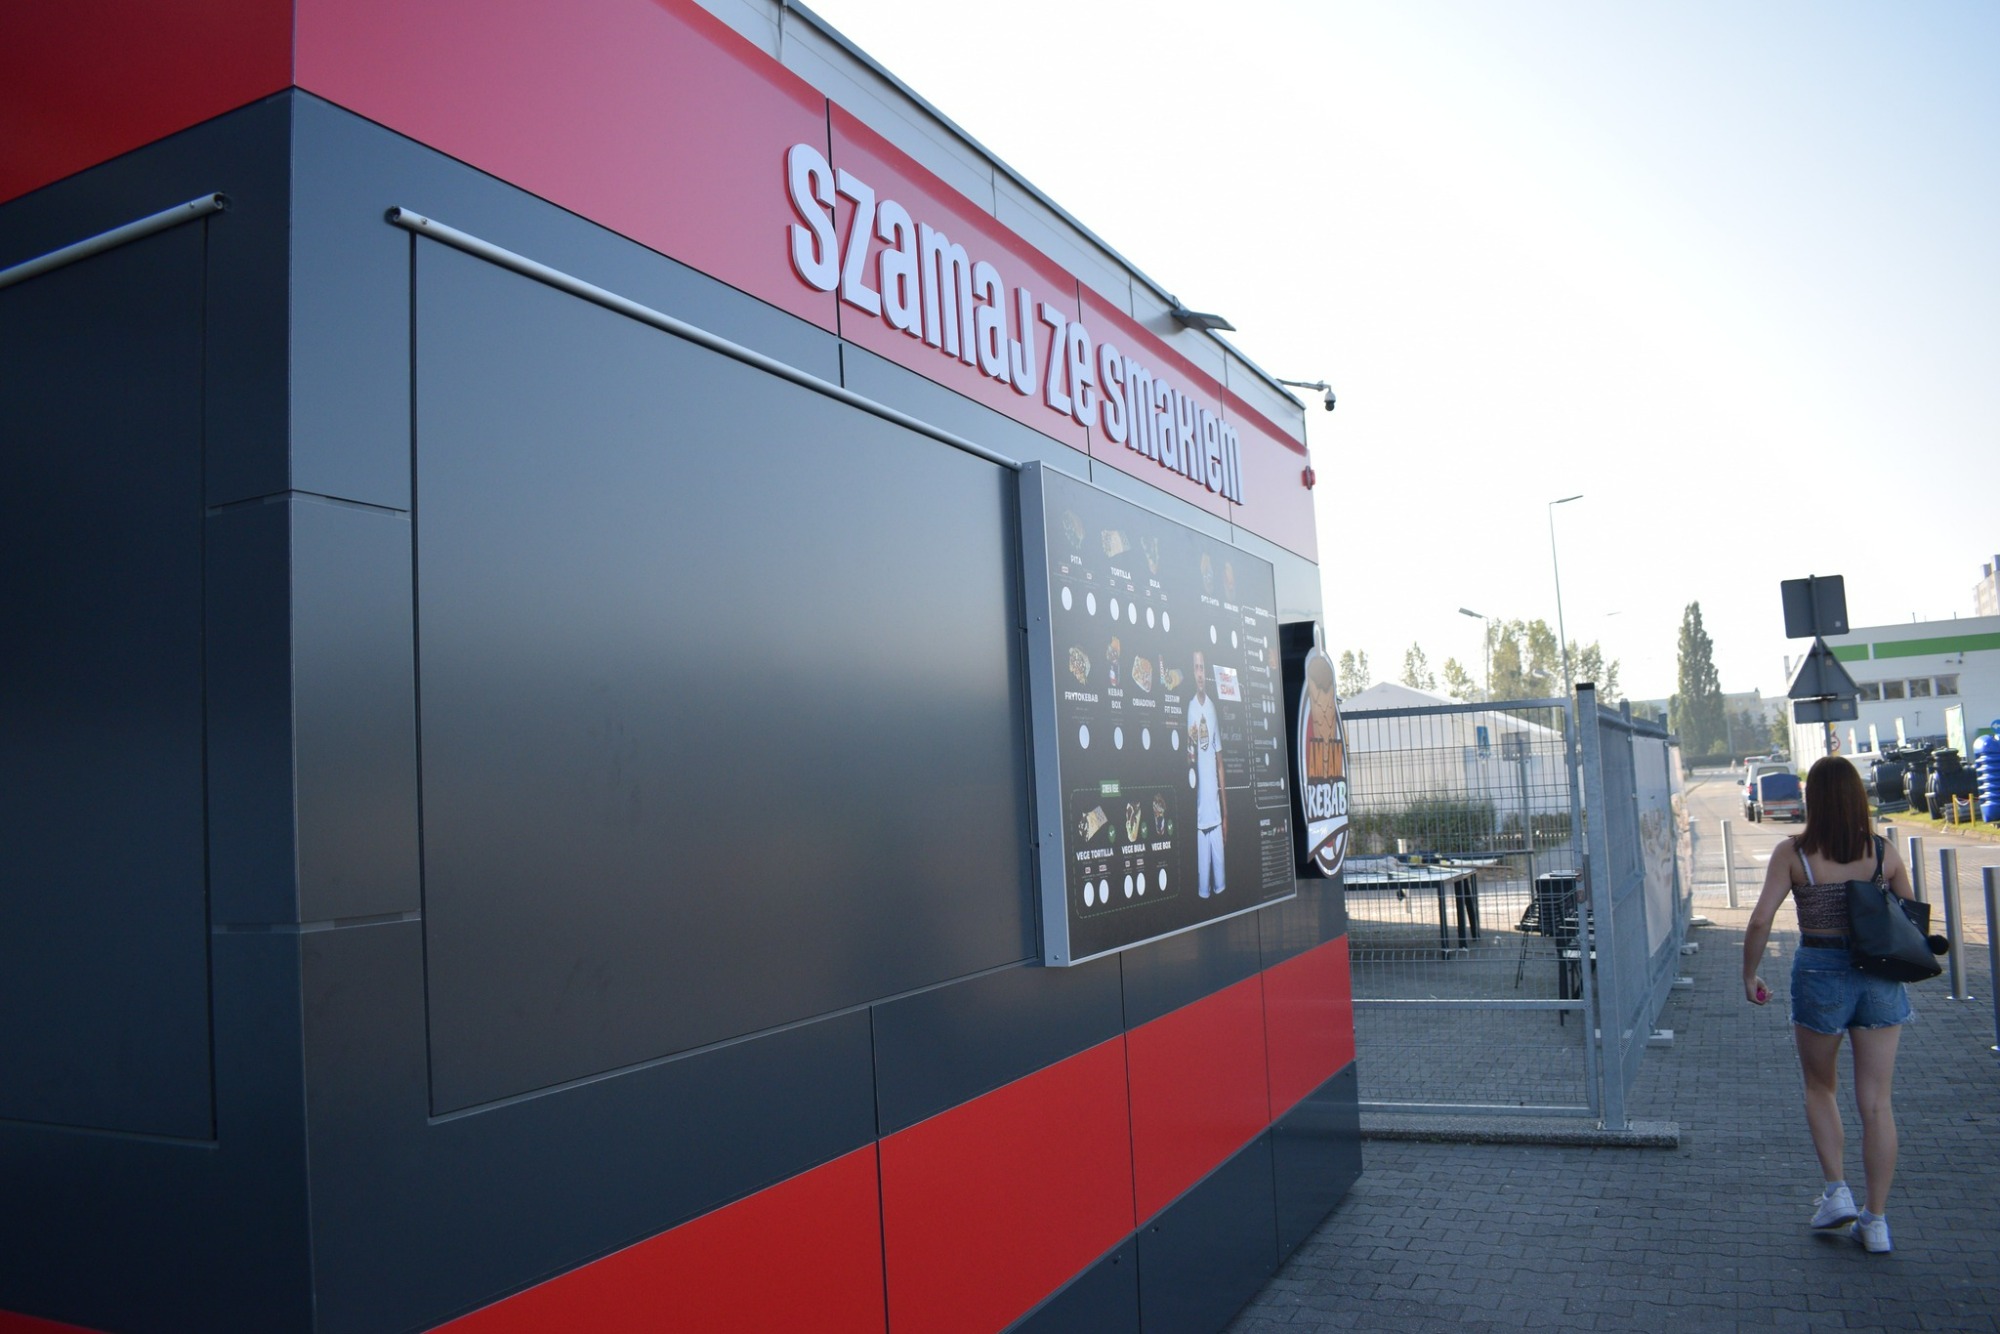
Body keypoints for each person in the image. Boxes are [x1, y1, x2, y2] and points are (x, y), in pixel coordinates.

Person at [1743, 755, 1917, 1254]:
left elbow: (1760, 919)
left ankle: (1837, 1191)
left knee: (1820, 1086)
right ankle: (1876, 1221)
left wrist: (1749, 973)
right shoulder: (1883, 852)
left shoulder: (1794, 854)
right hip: (1879, 975)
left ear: (1812, 799)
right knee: (1877, 1103)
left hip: (1819, 973)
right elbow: (1912, 919)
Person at [1187, 650, 1227, 898]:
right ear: (1192, 672)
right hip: (1199, 823)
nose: (1200, 673)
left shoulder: (1212, 708)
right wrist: (1189, 747)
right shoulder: (1189, 709)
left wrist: (1226, 816)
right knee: (1203, 895)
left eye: (1202, 667)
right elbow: (1187, 762)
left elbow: (1220, 764)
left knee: (1222, 890)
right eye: (1196, 667)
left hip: (1217, 819)